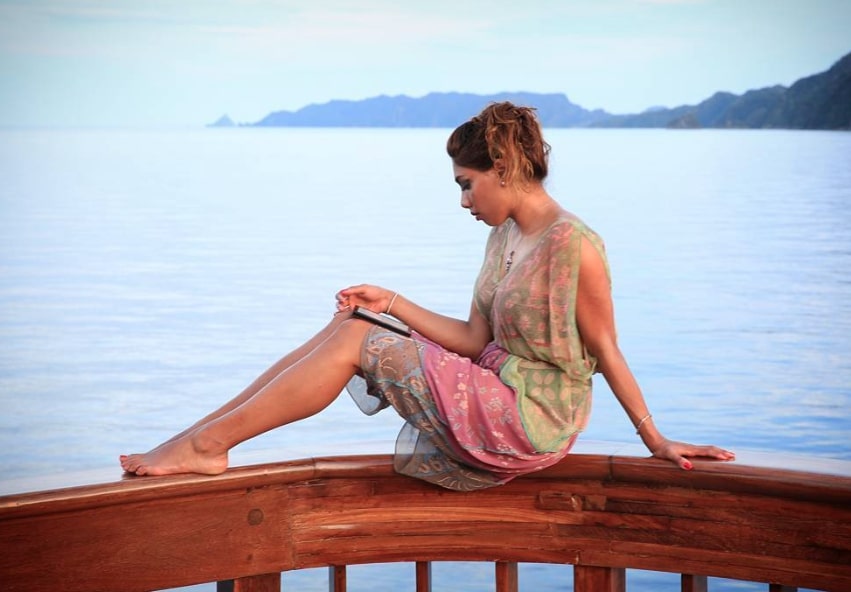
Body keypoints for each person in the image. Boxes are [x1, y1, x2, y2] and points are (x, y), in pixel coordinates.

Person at [120, 102, 734, 490]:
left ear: (503, 169)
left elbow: (608, 349)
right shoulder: (502, 237)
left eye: (467, 184)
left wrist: (655, 439)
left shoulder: (576, 246)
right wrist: (390, 301)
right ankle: (197, 437)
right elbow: (472, 339)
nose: (463, 201)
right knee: (354, 321)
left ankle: (208, 446)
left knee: (358, 339)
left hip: (533, 418)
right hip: (493, 385)